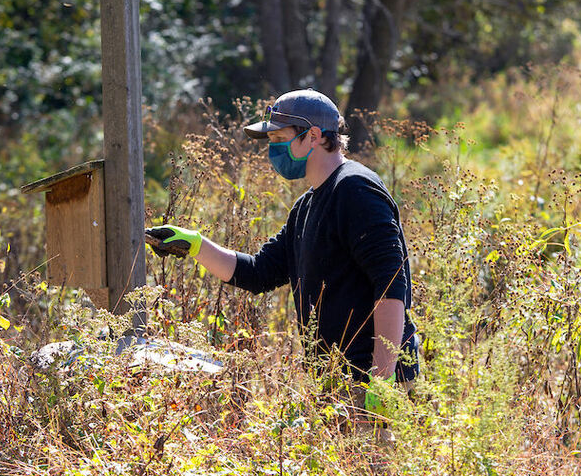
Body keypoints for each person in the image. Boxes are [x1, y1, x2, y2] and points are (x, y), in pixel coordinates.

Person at [145, 89, 419, 420]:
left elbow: (391, 285)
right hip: (335, 381)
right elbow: (258, 273)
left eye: (279, 138)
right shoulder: (306, 206)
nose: (273, 149)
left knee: (378, 470)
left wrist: (382, 380)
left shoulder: (355, 190)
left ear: (314, 136)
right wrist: (195, 244)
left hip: (371, 379)